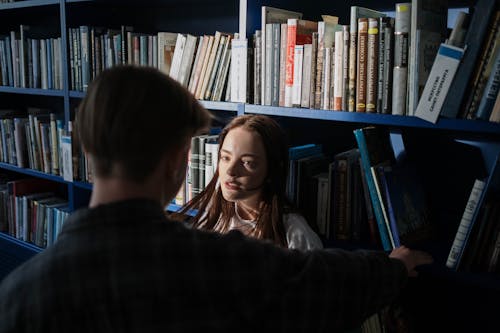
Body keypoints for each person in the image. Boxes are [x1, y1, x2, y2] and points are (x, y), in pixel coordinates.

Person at [0, 65, 433, 333]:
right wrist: (394, 266)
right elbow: (323, 283)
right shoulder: (221, 265)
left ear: (84, 148)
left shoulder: (18, 296)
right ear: (178, 159)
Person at [175, 114, 323, 250]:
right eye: (225, 158)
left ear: (271, 169)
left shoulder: (295, 235)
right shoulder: (214, 216)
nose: (230, 171)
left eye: (247, 162)